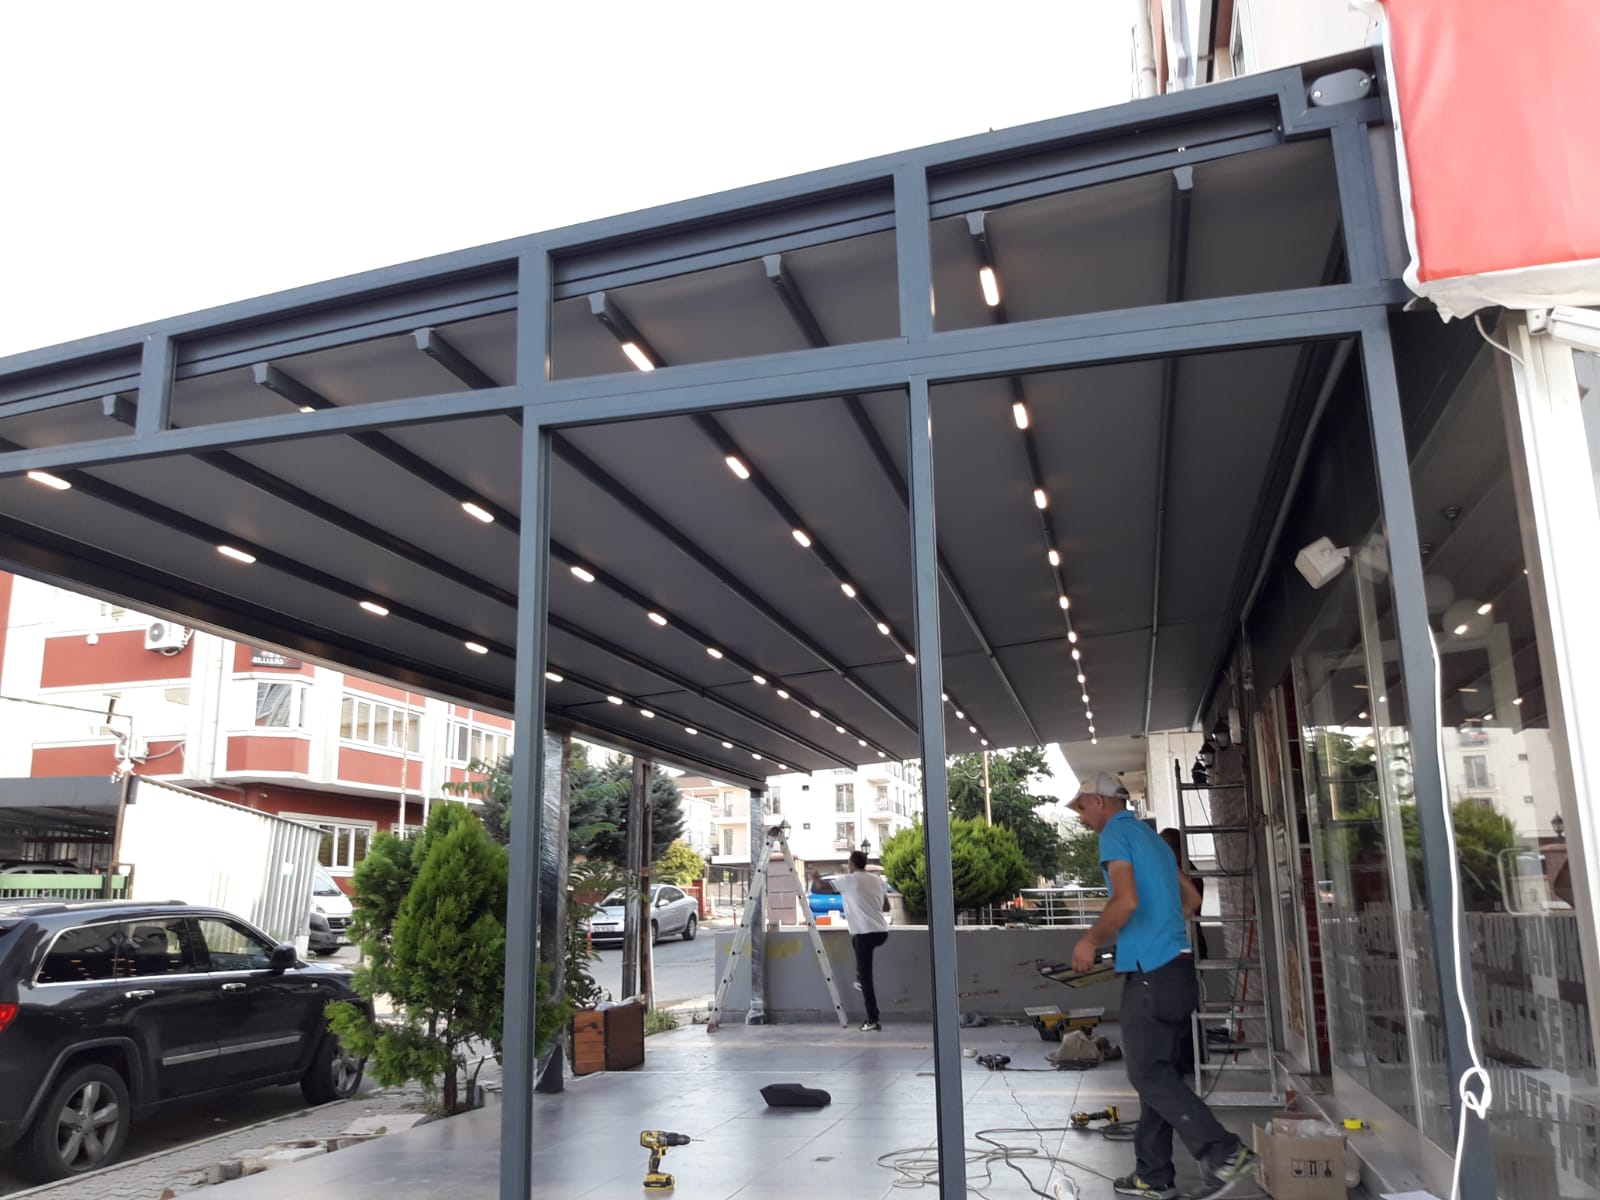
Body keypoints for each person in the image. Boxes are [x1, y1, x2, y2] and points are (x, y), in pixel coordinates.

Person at [1069, 774, 1258, 1200]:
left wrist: (1091, 939)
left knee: (1147, 1073)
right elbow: (1191, 899)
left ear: (1099, 801)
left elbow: (1126, 900)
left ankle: (1225, 1152)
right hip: (1179, 970)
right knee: (1159, 1075)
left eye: (1082, 807)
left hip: (1151, 974)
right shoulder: (1152, 839)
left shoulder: (1115, 833)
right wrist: (1159, 928)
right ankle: (1154, 1176)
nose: (1081, 817)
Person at [812, 851, 889, 1031]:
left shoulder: (849, 880)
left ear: (852, 864)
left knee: (867, 980)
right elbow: (886, 907)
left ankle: (873, 1019)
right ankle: (860, 976)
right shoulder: (877, 880)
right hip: (881, 932)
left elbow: (821, 886)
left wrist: (815, 877)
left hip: (864, 933)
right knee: (857, 945)